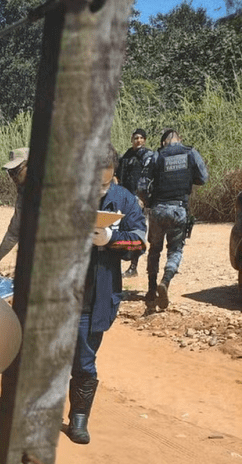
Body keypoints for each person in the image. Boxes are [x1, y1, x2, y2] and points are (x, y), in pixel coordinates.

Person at [67, 144, 147, 445]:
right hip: (61, 293)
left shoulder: (124, 199)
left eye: (105, 183)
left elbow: (140, 242)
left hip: (96, 295)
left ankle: (79, 417)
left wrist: (111, 238)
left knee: (85, 358)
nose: (100, 190)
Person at [141, 128, 208, 310]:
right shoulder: (190, 153)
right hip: (179, 209)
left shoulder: (157, 155)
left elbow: (142, 185)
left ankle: (151, 289)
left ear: (163, 142)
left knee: (154, 249)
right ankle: (166, 280)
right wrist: (188, 177)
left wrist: (149, 203)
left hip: (158, 210)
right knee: (175, 250)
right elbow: (203, 178)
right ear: (180, 138)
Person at [114, 128, 154, 278]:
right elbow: (118, 174)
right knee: (122, 230)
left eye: (141, 138)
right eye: (136, 138)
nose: (138, 140)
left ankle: (133, 267)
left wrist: (143, 197)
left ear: (145, 140)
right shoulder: (126, 155)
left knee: (136, 232)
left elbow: (149, 178)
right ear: (132, 140)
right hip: (124, 198)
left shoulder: (148, 156)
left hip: (138, 200)